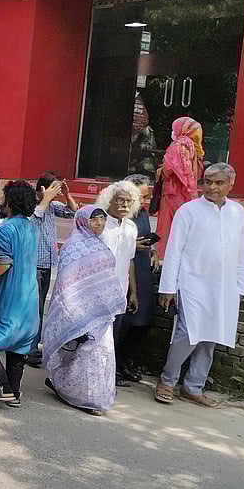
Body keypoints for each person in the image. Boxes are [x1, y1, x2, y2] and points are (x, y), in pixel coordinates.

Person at [155, 163, 244, 408]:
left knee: (212, 336)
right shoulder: (189, 211)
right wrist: (168, 287)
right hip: (192, 283)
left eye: (219, 183)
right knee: (188, 333)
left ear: (231, 184)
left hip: (224, 286)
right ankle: (167, 381)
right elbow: (174, 251)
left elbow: (242, 251)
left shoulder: (238, 212)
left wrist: (241, 284)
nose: (212, 187)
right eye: (208, 181)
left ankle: (193, 387)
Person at [43, 206, 125, 416]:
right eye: (94, 219)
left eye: (102, 220)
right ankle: (73, 393)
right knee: (81, 355)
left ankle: (97, 398)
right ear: (82, 221)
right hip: (79, 312)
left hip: (100, 315)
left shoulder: (102, 245)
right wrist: (74, 311)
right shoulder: (72, 246)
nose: (99, 224)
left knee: (102, 354)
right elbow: (65, 284)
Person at [0, 180, 40, 407]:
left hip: (6, 295)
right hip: (29, 294)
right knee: (18, 347)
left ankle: (3, 387)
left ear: (10, 201)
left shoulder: (3, 229)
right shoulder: (33, 227)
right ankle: (15, 393)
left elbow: (3, 263)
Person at [27, 173, 79, 368]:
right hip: (33, 264)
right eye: (54, 189)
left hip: (47, 264)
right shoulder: (33, 205)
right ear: (43, 189)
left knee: (40, 307)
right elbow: (32, 220)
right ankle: (30, 349)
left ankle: (32, 346)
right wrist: (46, 198)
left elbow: (73, 212)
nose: (56, 194)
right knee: (35, 307)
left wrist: (67, 195)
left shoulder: (53, 206)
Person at [94, 180, 141, 386]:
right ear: (109, 201)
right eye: (119, 200)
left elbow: (129, 260)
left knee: (112, 338)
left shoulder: (131, 227)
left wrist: (133, 292)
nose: (123, 205)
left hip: (119, 293)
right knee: (94, 340)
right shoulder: (100, 225)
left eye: (128, 201)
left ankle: (106, 378)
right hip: (97, 293)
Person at [116, 174, 158, 381]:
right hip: (125, 268)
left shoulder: (141, 214)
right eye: (139, 197)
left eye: (145, 197)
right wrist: (134, 246)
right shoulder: (120, 215)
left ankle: (123, 359)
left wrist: (153, 251)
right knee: (122, 322)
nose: (143, 202)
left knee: (144, 320)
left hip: (142, 268)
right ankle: (112, 364)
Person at [154, 117, 205, 257]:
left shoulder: (180, 144)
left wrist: (160, 170)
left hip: (172, 191)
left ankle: (163, 256)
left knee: (167, 227)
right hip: (186, 192)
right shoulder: (195, 146)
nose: (172, 132)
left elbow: (170, 169)